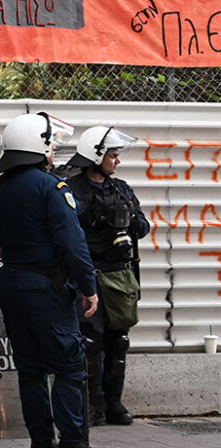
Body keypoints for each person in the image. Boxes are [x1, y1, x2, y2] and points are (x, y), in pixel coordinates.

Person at [0, 112, 110, 448]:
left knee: (30, 371)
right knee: (69, 368)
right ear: (38, 145)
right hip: (48, 289)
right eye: (50, 141)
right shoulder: (51, 188)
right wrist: (89, 288)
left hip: (12, 286)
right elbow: (73, 245)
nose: (54, 147)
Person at [60, 126, 150, 427]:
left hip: (119, 275)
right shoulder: (71, 189)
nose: (117, 161)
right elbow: (65, 231)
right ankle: (93, 405)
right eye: (113, 155)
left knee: (118, 339)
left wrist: (124, 220)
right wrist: (96, 219)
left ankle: (114, 403)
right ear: (96, 156)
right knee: (90, 341)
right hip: (89, 273)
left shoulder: (121, 188)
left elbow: (143, 227)